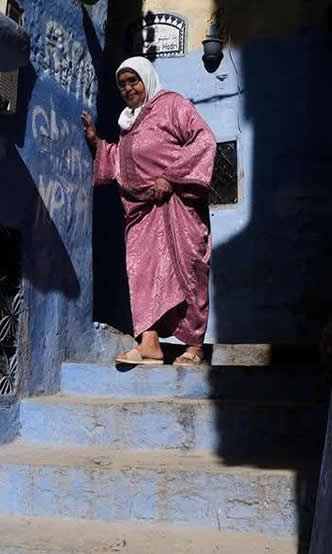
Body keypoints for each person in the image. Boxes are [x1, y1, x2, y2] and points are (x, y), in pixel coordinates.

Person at [81, 56, 216, 365]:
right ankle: (150, 343)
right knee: (142, 271)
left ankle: (194, 345)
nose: (128, 88)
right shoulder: (129, 122)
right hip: (141, 211)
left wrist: (171, 176)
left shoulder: (172, 105)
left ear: (147, 79)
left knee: (188, 269)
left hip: (176, 205)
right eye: (122, 84)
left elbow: (203, 140)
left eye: (134, 81)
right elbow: (123, 159)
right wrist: (97, 143)